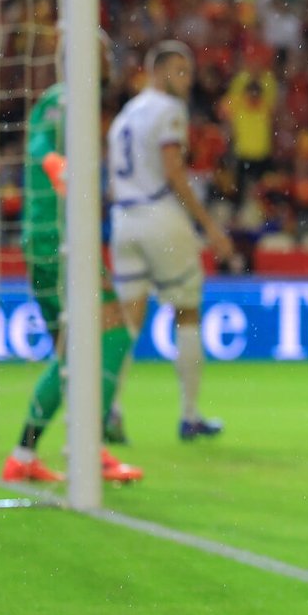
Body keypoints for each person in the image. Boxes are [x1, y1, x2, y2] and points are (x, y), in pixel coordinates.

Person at [2, 34, 143, 485]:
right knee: (113, 332)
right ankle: (93, 446)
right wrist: (57, 169)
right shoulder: (63, 100)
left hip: (52, 239)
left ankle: (23, 454)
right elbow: (40, 145)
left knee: (70, 353)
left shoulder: (76, 106)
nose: (110, 60)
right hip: (55, 242)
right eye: (103, 52)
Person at [106, 41, 235, 440]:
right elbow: (174, 172)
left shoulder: (124, 117)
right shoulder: (169, 111)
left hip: (124, 220)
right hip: (159, 216)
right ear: (159, 72)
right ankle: (190, 415)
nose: (188, 80)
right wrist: (208, 227)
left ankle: (110, 409)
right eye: (181, 71)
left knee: (128, 320)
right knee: (187, 311)